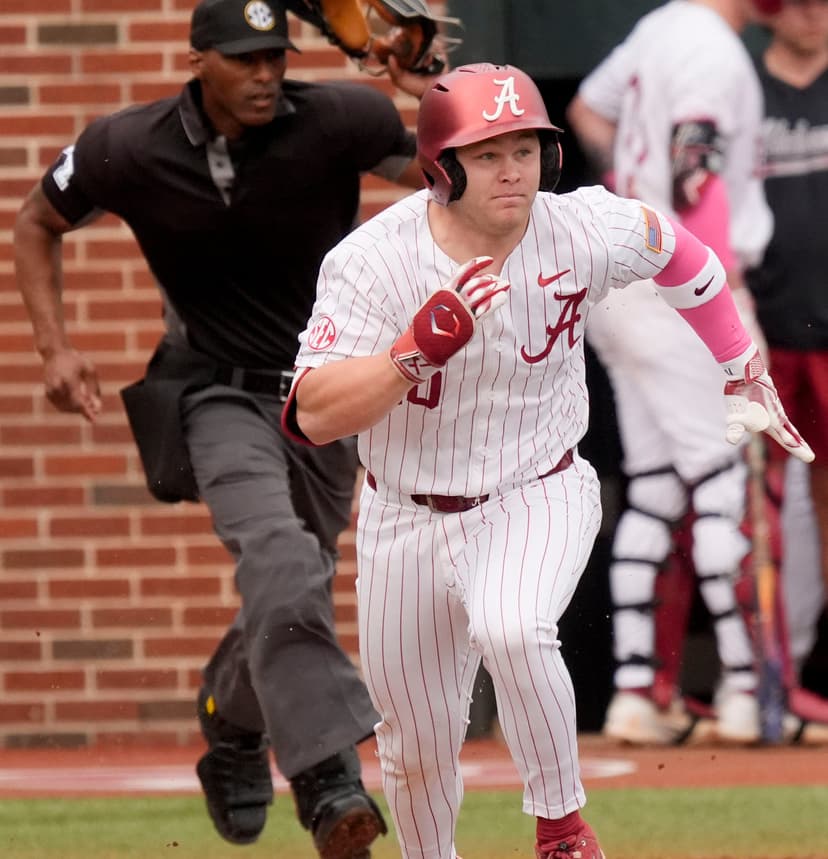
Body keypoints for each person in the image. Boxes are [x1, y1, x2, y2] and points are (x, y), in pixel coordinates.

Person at [281, 62, 812, 859]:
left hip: (539, 485)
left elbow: (681, 255)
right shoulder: (372, 260)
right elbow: (313, 414)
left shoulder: (583, 227)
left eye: (526, 149)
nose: (513, 171)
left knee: (515, 625)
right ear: (441, 164)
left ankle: (562, 827)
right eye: (489, 153)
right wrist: (411, 353)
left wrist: (739, 363)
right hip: (406, 511)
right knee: (416, 749)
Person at [12, 0, 443, 854]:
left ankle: (230, 718)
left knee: (299, 580)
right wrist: (55, 350)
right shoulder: (125, 145)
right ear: (198, 60)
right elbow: (37, 221)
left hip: (325, 396)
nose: (264, 75)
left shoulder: (341, 119)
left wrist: (428, 91)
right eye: (244, 60)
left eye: (275, 57)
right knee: (282, 560)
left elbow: (450, 177)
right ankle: (327, 781)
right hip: (213, 392)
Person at [566, 0, 779, 744]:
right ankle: (749, 691)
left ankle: (633, 691)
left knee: (656, 488)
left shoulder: (659, 27)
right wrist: (716, 291)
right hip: (681, 287)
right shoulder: (713, 51)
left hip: (623, 286)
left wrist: (633, 204)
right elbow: (697, 173)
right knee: (725, 483)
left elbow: (587, 114)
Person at [747, 0, 828, 723]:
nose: (810, 14)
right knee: (761, 514)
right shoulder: (739, 81)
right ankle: (773, 683)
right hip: (764, 334)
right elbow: (591, 111)